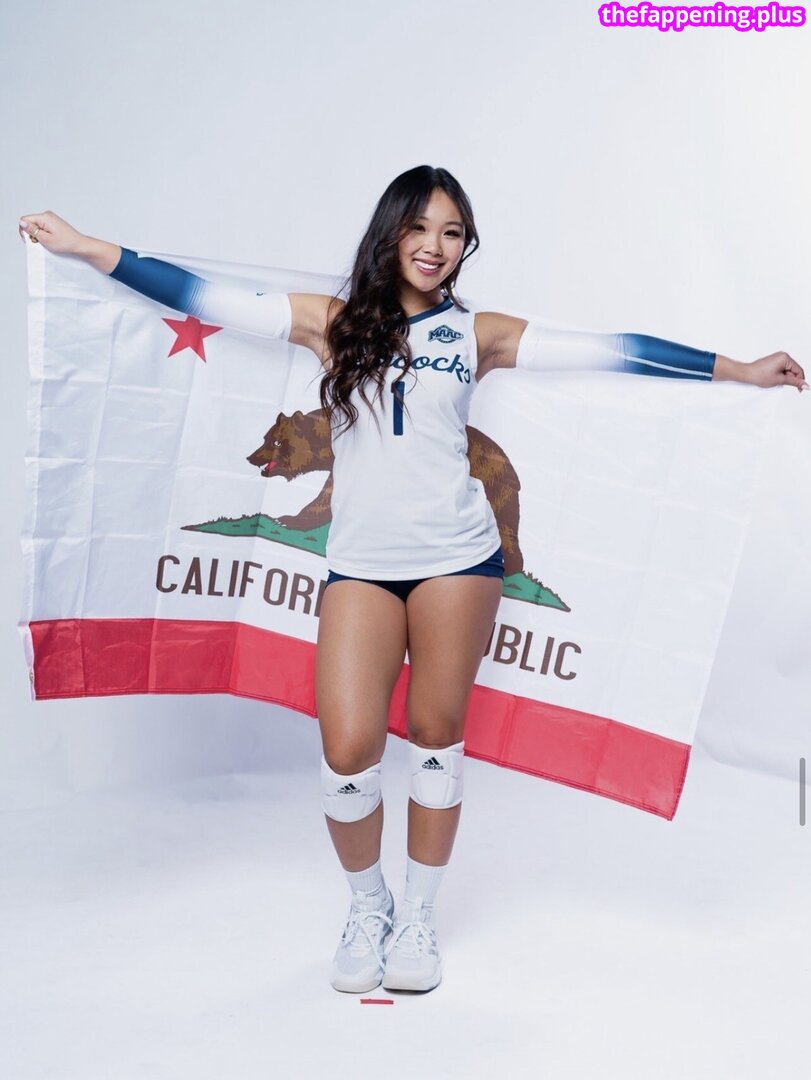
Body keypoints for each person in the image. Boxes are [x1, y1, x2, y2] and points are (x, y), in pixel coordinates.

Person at [18, 165, 806, 996]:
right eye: (420, 227)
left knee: (434, 736)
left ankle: (418, 917)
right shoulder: (330, 323)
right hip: (362, 565)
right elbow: (203, 295)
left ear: (466, 245)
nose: (435, 246)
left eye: (452, 232)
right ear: (390, 232)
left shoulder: (477, 334)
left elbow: (615, 350)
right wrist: (89, 248)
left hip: (457, 562)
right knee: (347, 749)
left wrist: (736, 369)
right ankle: (369, 906)